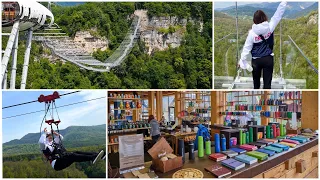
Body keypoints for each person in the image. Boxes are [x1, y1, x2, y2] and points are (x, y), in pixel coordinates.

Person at [239, 1, 287, 89]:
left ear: (254, 20)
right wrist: (284, 2)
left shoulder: (252, 33)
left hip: (256, 61)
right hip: (268, 59)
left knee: (256, 84)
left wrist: (242, 60)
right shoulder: (269, 27)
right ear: (265, 18)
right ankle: (265, 96)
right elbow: (278, 15)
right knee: (267, 85)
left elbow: (246, 48)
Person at [39, 128, 105, 171]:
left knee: (76, 152)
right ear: (45, 137)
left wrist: (54, 132)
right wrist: (44, 133)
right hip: (57, 164)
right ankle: (92, 158)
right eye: (48, 136)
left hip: (62, 159)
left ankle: (97, 155)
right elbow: (41, 142)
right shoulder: (45, 146)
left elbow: (60, 137)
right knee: (72, 155)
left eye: (50, 135)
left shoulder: (53, 142)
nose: (50, 136)